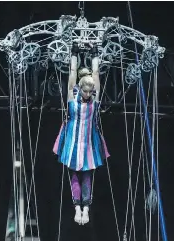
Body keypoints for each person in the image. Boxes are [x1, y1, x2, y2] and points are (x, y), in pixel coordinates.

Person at [53, 42, 110, 225]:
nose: (87, 94)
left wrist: (95, 54)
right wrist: (74, 54)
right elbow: (71, 72)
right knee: (74, 175)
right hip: (73, 141)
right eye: (85, 91)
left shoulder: (94, 100)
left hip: (87, 142)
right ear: (80, 88)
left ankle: (86, 209)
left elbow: (96, 75)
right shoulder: (72, 97)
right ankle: (77, 207)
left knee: (87, 175)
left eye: (90, 91)